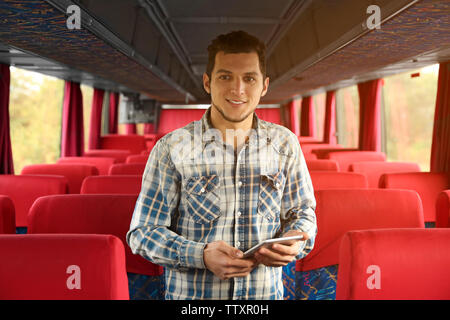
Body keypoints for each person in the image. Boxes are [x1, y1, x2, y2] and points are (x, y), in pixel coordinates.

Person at [126, 30, 317, 300]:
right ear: (207, 82)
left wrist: (298, 238)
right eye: (225, 76)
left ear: (264, 86)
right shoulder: (171, 148)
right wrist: (201, 256)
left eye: (249, 78)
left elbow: (303, 213)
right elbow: (143, 233)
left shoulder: (285, 144)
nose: (237, 89)